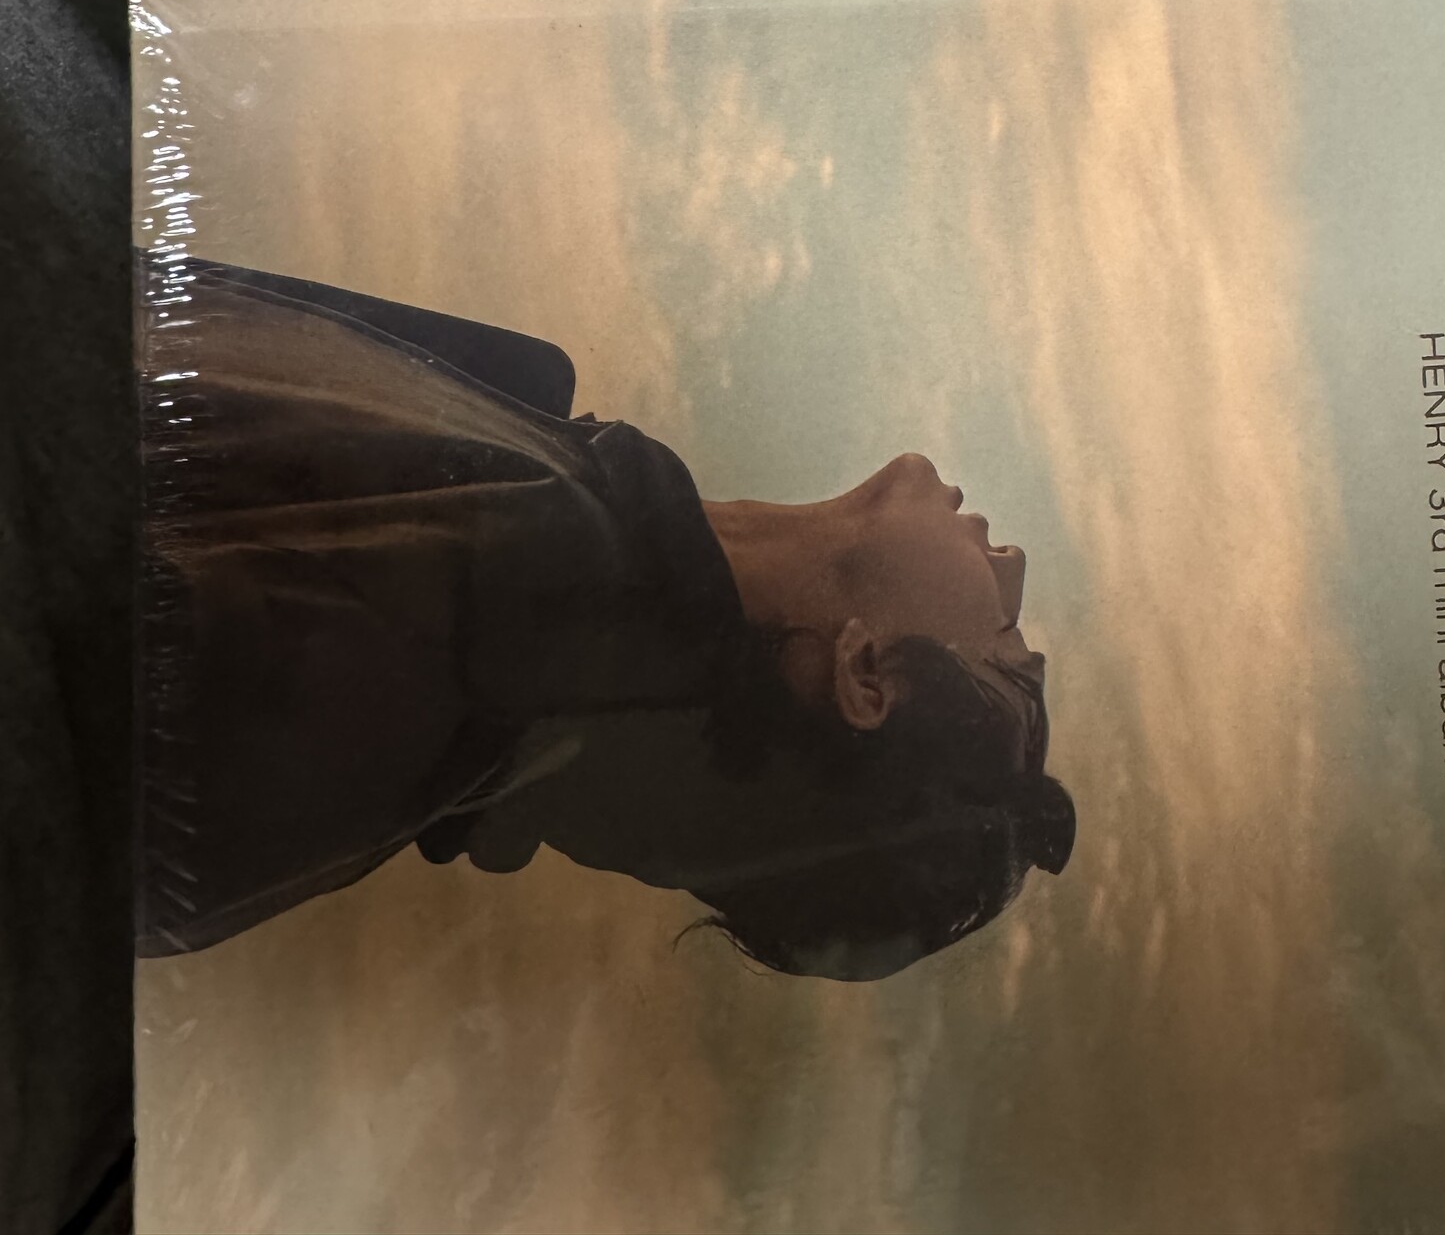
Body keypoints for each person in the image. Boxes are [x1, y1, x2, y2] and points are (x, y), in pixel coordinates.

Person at [138, 256, 1075, 981]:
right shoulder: (529, 523)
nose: (1015, 571)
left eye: (1007, 647)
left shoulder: (489, 612)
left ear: (867, 676)